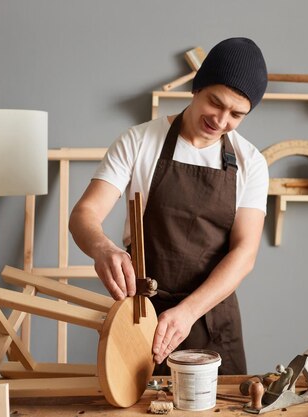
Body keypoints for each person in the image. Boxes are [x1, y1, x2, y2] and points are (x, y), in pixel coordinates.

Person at [69, 37, 269, 375]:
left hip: (211, 318)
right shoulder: (139, 141)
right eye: (214, 103)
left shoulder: (252, 163)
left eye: (236, 114)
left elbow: (244, 253)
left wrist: (189, 312)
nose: (221, 120)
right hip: (143, 317)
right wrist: (102, 249)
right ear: (196, 88)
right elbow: (84, 215)